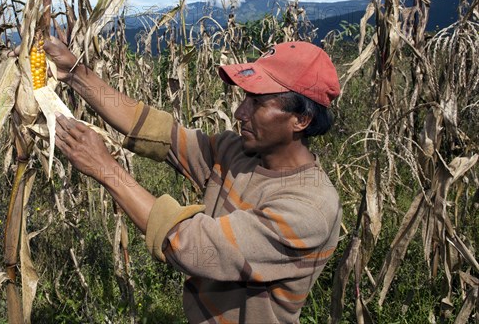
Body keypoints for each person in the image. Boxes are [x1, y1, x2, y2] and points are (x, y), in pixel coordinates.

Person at [46, 38, 342, 323]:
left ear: (301, 120)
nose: (240, 113)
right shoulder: (236, 152)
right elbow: (158, 132)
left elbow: (191, 246)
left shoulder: (309, 209)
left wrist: (105, 168)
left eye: (257, 103)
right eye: (245, 99)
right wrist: (74, 73)